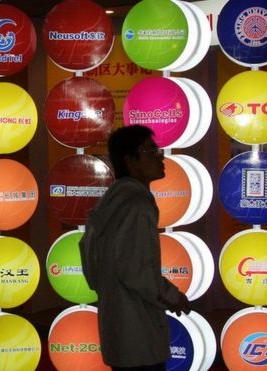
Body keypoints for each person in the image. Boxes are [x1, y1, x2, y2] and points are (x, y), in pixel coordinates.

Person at [79, 125, 190, 370]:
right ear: (130, 161)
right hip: (139, 331)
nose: (160, 157)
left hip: (116, 326)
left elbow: (89, 261)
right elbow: (135, 269)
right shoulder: (138, 204)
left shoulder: (109, 202)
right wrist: (172, 296)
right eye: (151, 150)